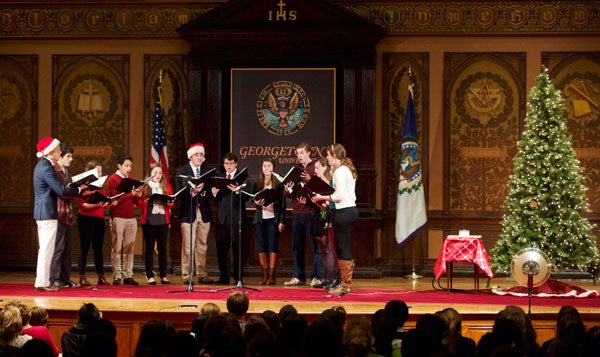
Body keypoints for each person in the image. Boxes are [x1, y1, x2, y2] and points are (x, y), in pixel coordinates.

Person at [33, 136, 82, 292]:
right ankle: (42, 283)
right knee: (47, 249)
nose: (60, 152)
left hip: (45, 212)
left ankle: (43, 281)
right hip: (47, 213)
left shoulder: (44, 165)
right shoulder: (46, 167)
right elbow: (60, 190)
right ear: (51, 151)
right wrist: (79, 190)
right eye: (58, 150)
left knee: (46, 249)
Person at [312, 143, 358, 296]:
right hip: (349, 211)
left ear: (335, 156)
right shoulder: (345, 169)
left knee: (342, 249)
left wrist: (321, 197)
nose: (327, 158)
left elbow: (340, 196)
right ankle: (344, 283)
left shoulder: (340, 171)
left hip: (344, 212)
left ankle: (345, 285)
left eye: (328, 155)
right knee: (341, 248)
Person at [175, 143, 214, 285]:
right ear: (190, 156)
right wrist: (192, 192)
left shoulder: (207, 171)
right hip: (188, 212)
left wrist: (206, 191)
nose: (199, 157)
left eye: (201, 155)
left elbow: (211, 192)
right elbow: (179, 193)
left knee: (202, 245)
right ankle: (187, 274)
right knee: (188, 245)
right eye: (196, 154)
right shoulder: (182, 171)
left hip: (203, 212)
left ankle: (202, 273)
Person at [283, 141, 321, 287]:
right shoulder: (295, 169)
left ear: (309, 153)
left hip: (311, 211)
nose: (299, 156)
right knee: (297, 246)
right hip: (297, 211)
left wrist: (309, 180)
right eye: (297, 153)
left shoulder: (315, 167)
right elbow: (286, 194)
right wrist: (287, 189)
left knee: (314, 246)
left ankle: (316, 276)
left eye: (302, 153)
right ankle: (299, 276)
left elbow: (322, 187)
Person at [211, 152, 247, 285]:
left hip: (237, 219)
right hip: (222, 218)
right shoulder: (219, 177)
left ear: (236, 164)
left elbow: (248, 197)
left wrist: (238, 191)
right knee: (222, 250)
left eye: (231, 163)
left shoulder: (242, 177)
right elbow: (214, 198)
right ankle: (224, 277)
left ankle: (238, 278)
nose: (229, 166)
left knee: (238, 250)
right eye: (226, 163)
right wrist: (214, 194)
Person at [107, 154, 143, 285]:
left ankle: (128, 274)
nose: (129, 169)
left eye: (130, 166)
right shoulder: (112, 179)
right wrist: (130, 194)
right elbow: (115, 199)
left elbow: (135, 201)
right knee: (117, 247)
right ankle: (117, 275)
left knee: (129, 247)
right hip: (118, 217)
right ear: (119, 166)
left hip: (130, 217)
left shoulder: (131, 179)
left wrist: (138, 194)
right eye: (126, 166)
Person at [251, 158, 286, 285]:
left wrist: (281, 221)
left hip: (273, 218)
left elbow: (282, 204)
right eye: (264, 166)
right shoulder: (257, 182)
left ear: (273, 168)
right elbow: (252, 197)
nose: (266, 168)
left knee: (272, 245)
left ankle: (272, 275)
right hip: (260, 218)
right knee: (261, 245)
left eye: (269, 166)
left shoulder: (278, 184)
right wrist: (256, 202)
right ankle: (264, 273)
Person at [77, 160, 111, 286]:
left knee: (98, 249)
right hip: (86, 218)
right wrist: (97, 204)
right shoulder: (82, 188)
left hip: (99, 219)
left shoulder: (101, 188)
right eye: (98, 172)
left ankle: (101, 276)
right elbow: (83, 205)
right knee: (84, 248)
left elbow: (104, 204)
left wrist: (109, 203)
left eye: (101, 172)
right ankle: (82, 277)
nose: (100, 174)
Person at [50, 143, 79, 288]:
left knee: (68, 249)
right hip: (59, 214)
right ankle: (54, 278)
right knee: (58, 248)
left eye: (71, 156)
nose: (71, 159)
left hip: (67, 214)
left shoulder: (65, 172)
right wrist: (77, 190)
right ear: (60, 156)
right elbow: (61, 192)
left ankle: (65, 278)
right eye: (68, 156)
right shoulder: (55, 171)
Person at [141, 163, 174, 285]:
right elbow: (139, 203)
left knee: (162, 248)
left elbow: (171, 203)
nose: (158, 175)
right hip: (149, 220)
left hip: (162, 220)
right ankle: (150, 275)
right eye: (155, 173)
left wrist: (170, 202)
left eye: (160, 173)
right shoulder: (145, 186)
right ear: (150, 173)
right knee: (149, 248)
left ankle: (163, 275)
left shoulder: (166, 186)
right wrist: (144, 201)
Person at [312, 157, 338, 289]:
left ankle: (331, 279)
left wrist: (323, 202)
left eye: (317, 168)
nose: (315, 170)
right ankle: (325, 278)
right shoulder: (317, 182)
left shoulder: (328, 182)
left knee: (328, 249)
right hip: (318, 215)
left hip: (327, 215)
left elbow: (331, 200)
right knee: (321, 249)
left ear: (324, 167)